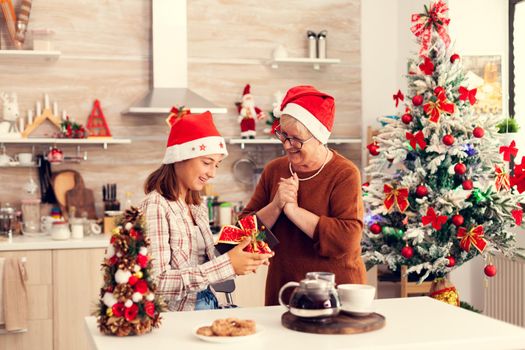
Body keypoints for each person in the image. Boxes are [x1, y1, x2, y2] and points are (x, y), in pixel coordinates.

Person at [241, 85, 366, 306]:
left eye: (296, 139)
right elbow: (242, 233)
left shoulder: (344, 173)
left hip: (334, 296)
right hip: (284, 292)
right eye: (283, 135)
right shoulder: (274, 170)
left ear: (319, 137)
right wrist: (277, 204)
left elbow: (347, 239)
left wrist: (294, 211)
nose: (287, 145)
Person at [140, 110, 273, 311]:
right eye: (206, 163)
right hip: (178, 317)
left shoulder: (196, 205)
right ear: (180, 157)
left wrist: (242, 257)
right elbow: (157, 282)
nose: (212, 173)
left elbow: (205, 265)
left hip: (207, 305)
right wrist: (228, 264)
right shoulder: (156, 205)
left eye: (216, 165)